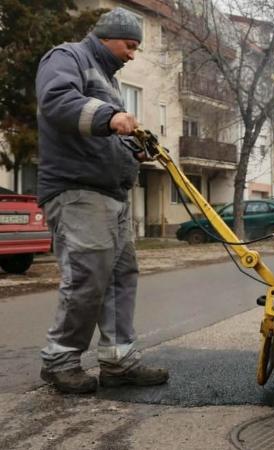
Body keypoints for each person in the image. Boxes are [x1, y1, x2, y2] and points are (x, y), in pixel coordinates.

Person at [35, 7, 168, 394]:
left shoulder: (108, 80)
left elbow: (107, 133)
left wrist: (134, 151)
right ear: (107, 36)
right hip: (77, 191)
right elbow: (57, 102)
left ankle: (118, 361)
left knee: (120, 277)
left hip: (112, 194)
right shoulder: (67, 57)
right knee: (87, 276)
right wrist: (111, 116)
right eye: (130, 45)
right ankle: (60, 361)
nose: (132, 54)